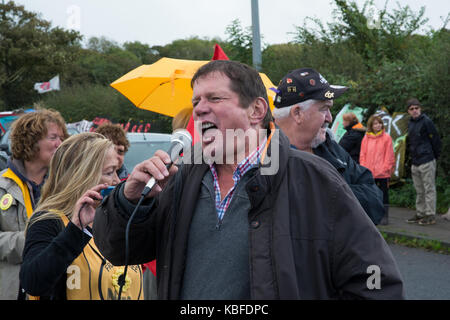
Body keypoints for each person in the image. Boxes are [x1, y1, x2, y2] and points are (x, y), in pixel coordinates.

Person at [92, 60, 404, 299]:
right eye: (196, 100)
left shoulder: (315, 179)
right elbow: (120, 251)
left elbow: (375, 280)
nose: (199, 109)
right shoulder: (179, 178)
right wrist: (128, 200)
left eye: (214, 98)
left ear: (256, 110)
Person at [20, 133, 144, 300]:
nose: (116, 180)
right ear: (82, 176)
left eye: (117, 171)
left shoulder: (114, 217)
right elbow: (32, 282)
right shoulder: (49, 221)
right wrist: (76, 230)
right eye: (109, 172)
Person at [273, 68, 385, 226]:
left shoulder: (330, 148)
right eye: (324, 109)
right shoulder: (263, 159)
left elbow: (374, 200)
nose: (330, 118)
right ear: (297, 113)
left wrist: (326, 195)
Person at [0, 109, 68, 300]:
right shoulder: (2, 186)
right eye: (53, 137)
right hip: (13, 289)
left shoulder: (63, 187)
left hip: (56, 288)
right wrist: (29, 241)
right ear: (30, 140)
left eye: (61, 138)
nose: (60, 144)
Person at [405, 98, 441, 226]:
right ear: (408, 111)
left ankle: (430, 215)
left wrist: (434, 156)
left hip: (427, 159)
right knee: (419, 189)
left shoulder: (427, 122)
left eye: (416, 108)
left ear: (420, 109)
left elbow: (435, 139)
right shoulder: (410, 123)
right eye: (411, 109)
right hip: (415, 161)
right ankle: (420, 213)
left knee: (429, 188)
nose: (414, 111)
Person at [360, 115, 395, 225]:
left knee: (384, 194)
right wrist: (364, 168)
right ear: (371, 125)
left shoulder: (387, 138)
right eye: (375, 123)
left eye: (379, 123)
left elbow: (389, 155)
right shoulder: (366, 138)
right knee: (371, 195)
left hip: (383, 173)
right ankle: (372, 215)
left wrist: (385, 169)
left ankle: (385, 216)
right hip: (369, 172)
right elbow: (363, 155)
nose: (378, 125)